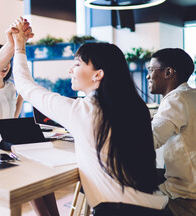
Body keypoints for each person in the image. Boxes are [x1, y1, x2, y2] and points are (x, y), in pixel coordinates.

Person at [9, 17, 170, 216]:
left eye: (77, 64)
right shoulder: (135, 108)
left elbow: (25, 86)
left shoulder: (83, 111)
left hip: (119, 211)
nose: (70, 70)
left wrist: (19, 46)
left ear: (98, 74)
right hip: (157, 207)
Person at [146, 48, 196, 216]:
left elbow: (147, 141)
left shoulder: (176, 100)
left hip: (185, 198)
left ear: (168, 72)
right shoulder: (190, 95)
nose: (148, 76)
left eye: (151, 70)